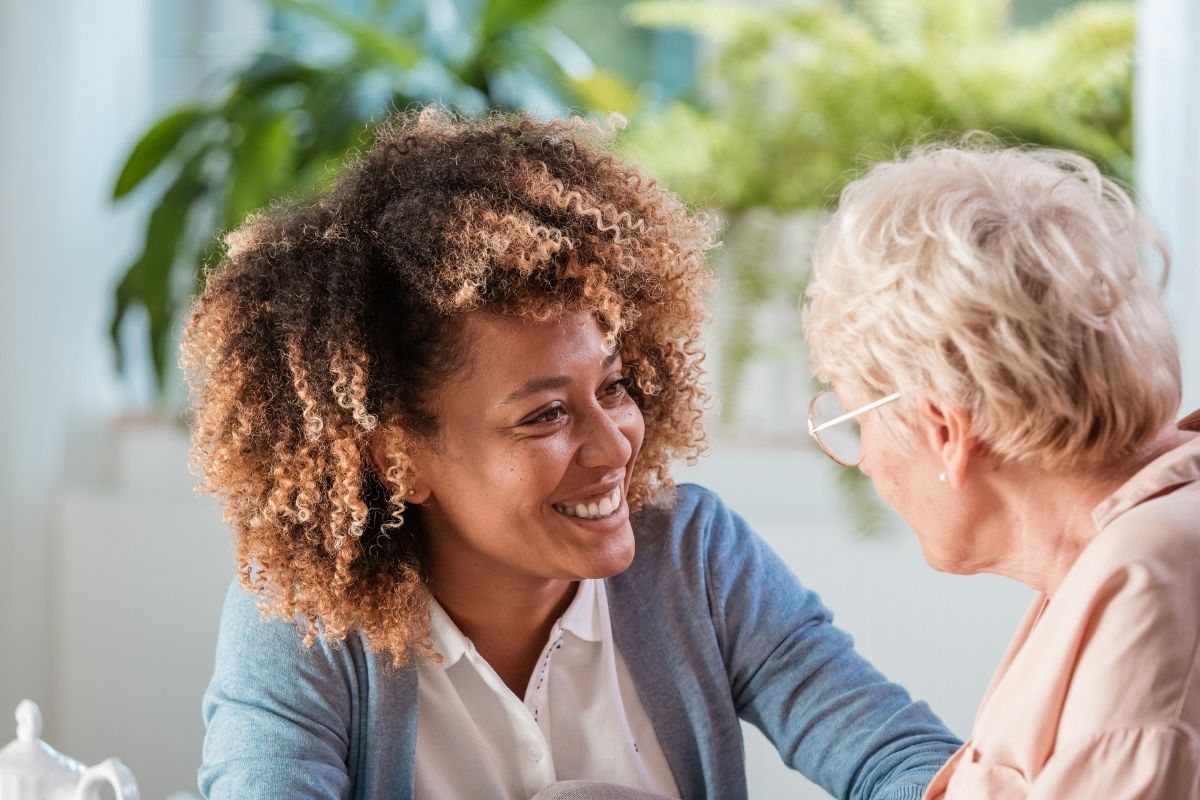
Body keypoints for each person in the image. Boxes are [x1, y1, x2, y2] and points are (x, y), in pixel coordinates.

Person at [187, 108, 959, 800]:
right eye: (546, 414)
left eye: (615, 387)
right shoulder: (304, 625)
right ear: (398, 459)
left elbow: (902, 762)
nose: (615, 442)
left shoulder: (694, 559)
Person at [803, 142, 1200, 798]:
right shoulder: (1114, 559)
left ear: (945, 430)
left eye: (857, 419)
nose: (866, 459)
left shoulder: (1150, 589)